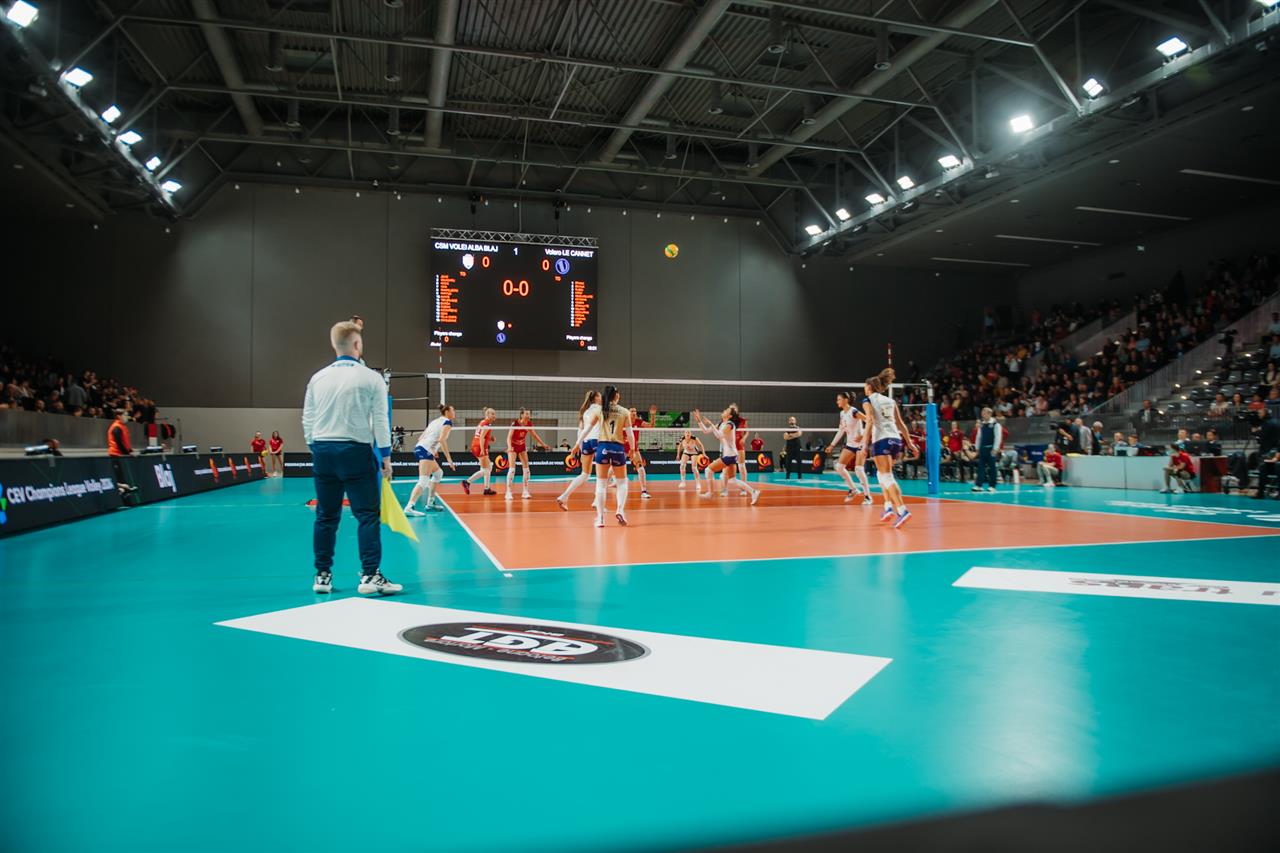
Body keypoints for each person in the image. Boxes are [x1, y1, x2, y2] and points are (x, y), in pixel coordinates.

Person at [301, 320, 399, 596]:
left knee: (325, 516)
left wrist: (315, 447)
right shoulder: (371, 378)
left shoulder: (318, 377)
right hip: (356, 451)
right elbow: (380, 420)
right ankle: (370, 575)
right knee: (367, 515)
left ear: (334, 345)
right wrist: (386, 456)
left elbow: (307, 418)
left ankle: (322, 576)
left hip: (323, 450)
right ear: (357, 344)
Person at [861, 368, 915, 527]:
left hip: (881, 439)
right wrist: (910, 443)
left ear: (869, 387)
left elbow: (870, 421)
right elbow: (901, 424)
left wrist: (864, 443)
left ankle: (902, 510)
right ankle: (888, 507)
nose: (864, 389)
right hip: (896, 440)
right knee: (882, 474)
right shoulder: (890, 401)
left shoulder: (868, 400)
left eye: (865, 386)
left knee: (887, 477)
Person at [693, 405, 760, 505]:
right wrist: (699, 421)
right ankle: (754, 492)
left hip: (730, 455)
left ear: (729, 416)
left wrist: (711, 424)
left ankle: (710, 493)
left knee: (708, 470)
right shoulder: (721, 424)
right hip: (731, 455)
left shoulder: (730, 425)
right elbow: (706, 431)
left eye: (727, 410)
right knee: (732, 479)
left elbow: (719, 435)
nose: (724, 410)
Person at [405, 404, 456, 515]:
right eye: (453, 410)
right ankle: (409, 507)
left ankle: (430, 503)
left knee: (438, 473)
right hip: (425, 450)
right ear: (447, 412)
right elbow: (442, 440)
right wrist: (449, 459)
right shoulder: (447, 422)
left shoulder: (434, 422)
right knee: (423, 481)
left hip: (421, 448)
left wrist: (433, 450)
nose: (454, 412)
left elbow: (420, 438)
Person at [593, 386, 633, 527]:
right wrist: (633, 449)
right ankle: (620, 510)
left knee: (601, 484)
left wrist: (578, 444)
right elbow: (630, 434)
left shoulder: (600, 410)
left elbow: (588, 429)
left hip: (603, 446)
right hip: (618, 448)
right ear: (616, 396)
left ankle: (600, 519)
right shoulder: (624, 411)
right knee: (622, 482)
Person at [557, 390, 602, 510]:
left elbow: (580, 431)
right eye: (600, 396)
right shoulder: (601, 409)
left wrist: (579, 447)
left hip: (586, 442)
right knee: (603, 474)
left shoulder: (585, 412)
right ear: (596, 398)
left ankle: (564, 496)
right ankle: (597, 501)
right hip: (597, 441)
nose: (602, 397)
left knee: (585, 474)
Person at [825, 391, 871, 504]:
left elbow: (869, 421)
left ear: (846, 400)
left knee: (859, 469)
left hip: (860, 444)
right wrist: (832, 445)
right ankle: (853, 489)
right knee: (839, 467)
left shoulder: (854, 412)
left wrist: (863, 435)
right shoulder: (842, 413)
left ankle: (868, 496)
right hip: (850, 444)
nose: (837, 402)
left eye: (839, 399)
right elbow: (841, 430)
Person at [505, 408, 549, 501]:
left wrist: (543, 444)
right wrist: (509, 447)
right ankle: (508, 492)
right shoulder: (515, 423)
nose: (528, 416)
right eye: (526, 414)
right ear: (522, 415)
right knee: (512, 469)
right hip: (513, 446)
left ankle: (525, 491)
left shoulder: (529, 424)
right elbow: (509, 437)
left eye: (529, 414)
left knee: (527, 469)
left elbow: (535, 435)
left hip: (522, 446)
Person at [462, 407, 498, 495]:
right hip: (479, 446)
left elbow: (482, 435)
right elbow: (481, 437)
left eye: (495, 414)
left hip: (476, 445)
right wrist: (482, 449)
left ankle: (487, 488)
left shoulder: (483, 422)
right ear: (487, 414)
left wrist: (490, 438)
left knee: (488, 467)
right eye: (492, 414)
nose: (494, 415)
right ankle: (467, 482)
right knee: (486, 469)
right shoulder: (487, 424)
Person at [971, 407, 1003, 493]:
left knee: (992, 468)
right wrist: (977, 448)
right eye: (982, 413)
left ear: (989, 414)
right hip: (983, 449)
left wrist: (995, 448)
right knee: (980, 467)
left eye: (984, 413)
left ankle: (992, 486)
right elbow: (979, 436)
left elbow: (998, 437)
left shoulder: (995, 424)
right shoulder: (982, 424)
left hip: (991, 449)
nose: (983, 415)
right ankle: (978, 485)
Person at [627, 406, 652, 500]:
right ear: (628, 413)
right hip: (623, 448)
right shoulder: (624, 421)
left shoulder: (638, 422)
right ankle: (601, 490)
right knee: (612, 469)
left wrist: (653, 415)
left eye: (635, 411)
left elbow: (651, 426)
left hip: (634, 449)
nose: (634, 412)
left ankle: (644, 492)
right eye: (632, 411)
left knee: (641, 468)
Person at [1254, 407, 1279, 499]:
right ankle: (1261, 493)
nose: (1258, 414)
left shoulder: (1267, 423)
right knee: (1263, 468)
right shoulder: (1275, 422)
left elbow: (1262, 437)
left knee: (1277, 466)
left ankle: (1264, 492)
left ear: (1265, 413)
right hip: (1272, 455)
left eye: (1260, 413)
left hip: (1268, 451)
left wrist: (1256, 432)